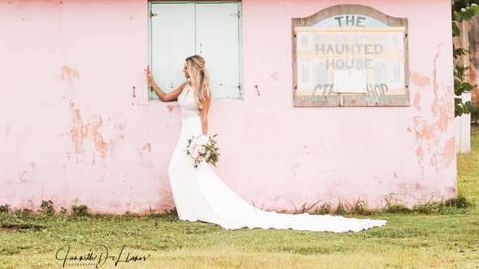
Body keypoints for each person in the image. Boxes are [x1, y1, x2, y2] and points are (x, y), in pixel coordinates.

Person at [144, 55, 386, 232]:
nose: (183, 70)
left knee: (197, 172)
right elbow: (166, 97)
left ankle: (196, 211)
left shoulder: (204, 92)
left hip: (195, 132)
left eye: (185, 67)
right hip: (183, 133)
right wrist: (151, 81)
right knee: (177, 169)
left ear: (192, 69)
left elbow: (205, 117)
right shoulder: (185, 87)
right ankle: (190, 210)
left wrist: (203, 141)